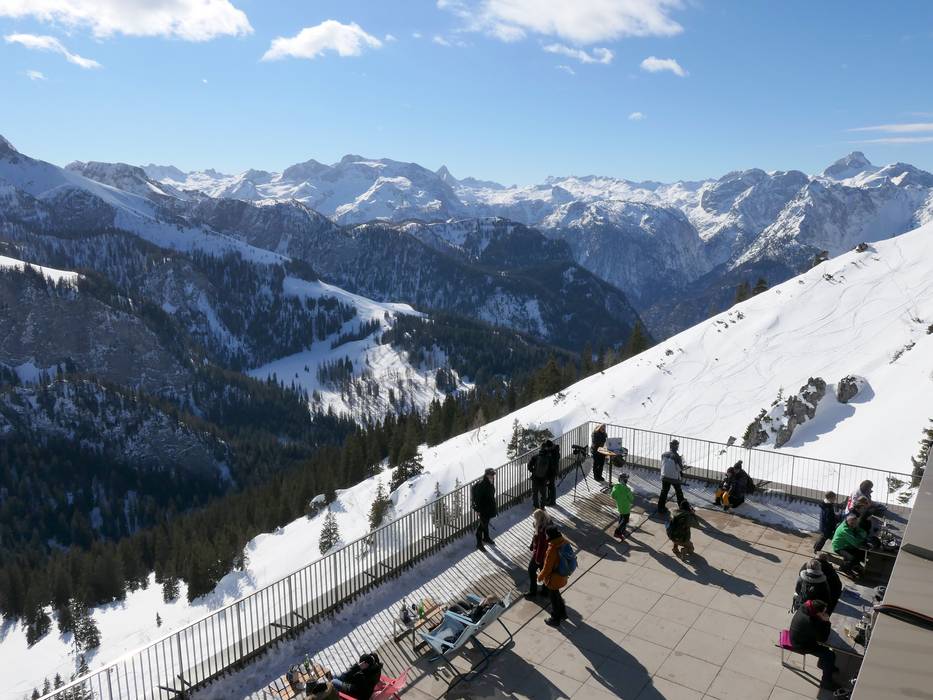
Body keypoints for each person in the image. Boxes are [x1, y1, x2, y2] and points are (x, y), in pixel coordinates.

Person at [788, 600, 837, 690]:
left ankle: (825, 666)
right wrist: (827, 622)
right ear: (817, 612)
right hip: (801, 645)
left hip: (799, 637)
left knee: (827, 652)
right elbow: (823, 639)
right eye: (823, 612)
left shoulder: (805, 607)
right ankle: (826, 682)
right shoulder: (809, 621)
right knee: (830, 655)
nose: (825, 613)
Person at [538, 525, 571, 627]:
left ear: (550, 535)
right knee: (556, 595)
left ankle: (555, 619)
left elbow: (547, 568)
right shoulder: (564, 541)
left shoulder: (552, 548)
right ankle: (563, 613)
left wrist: (540, 577)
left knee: (554, 598)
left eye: (546, 534)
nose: (546, 536)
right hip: (563, 574)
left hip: (553, 578)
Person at [525, 509, 553, 599]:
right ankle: (545, 590)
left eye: (535, 518)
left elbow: (541, 546)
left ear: (539, 518)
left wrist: (537, 559)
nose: (534, 520)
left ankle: (533, 591)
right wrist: (532, 545)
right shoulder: (547, 524)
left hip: (540, 555)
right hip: (547, 554)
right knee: (543, 571)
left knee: (531, 570)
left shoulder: (542, 529)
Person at [657, 439, 686, 514]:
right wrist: (684, 467)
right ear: (677, 447)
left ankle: (660, 507)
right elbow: (679, 468)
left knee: (664, 492)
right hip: (674, 478)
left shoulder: (664, 454)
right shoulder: (676, 456)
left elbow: (663, 464)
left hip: (664, 476)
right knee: (678, 492)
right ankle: (682, 507)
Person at [471, 468, 497, 551]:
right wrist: (478, 510)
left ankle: (486, 538)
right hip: (483, 508)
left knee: (486, 522)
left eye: (493, 474)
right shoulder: (482, 485)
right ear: (487, 475)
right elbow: (478, 499)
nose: (493, 476)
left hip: (488, 507)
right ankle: (479, 543)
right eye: (491, 474)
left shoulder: (490, 482)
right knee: (482, 525)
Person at [610, 473, 634, 540]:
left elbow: (612, 496)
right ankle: (617, 532)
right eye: (626, 479)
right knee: (625, 520)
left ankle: (622, 530)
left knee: (621, 517)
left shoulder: (615, 487)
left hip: (619, 506)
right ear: (625, 481)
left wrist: (619, 498)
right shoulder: (627, 489)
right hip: (626, 507)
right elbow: (631, 499)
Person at [543, 439, 560, 506]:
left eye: (547, 447)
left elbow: (552, 462)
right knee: (550, 486)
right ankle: (550, 499)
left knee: (551, 486)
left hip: (551, 471)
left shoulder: (553, 452)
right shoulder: (554, 450)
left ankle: (552, 501)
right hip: (551, 471)